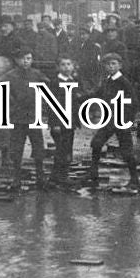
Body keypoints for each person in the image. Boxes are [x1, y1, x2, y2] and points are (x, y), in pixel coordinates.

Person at [85, 52, 140, 189]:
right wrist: (80, 98)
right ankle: (93, 175)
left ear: (120, 65)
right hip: (110, 120)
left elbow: (134, 103)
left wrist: (127, 120)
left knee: (126, 151)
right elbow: (96, 93)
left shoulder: (124, 82)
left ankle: (134, 179)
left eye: (113, 64)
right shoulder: (107, 81)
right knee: (96, 143)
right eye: (108, 64)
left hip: (121, 120)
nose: (110, 67)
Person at [5, 48, 48, 193]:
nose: (26, 61)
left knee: (38, 147)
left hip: (33, 117)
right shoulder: (10, 76)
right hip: (17, 118)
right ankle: (16, 178)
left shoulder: (37, 74)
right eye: (23, 58)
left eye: (29, 58)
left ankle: (40, 176)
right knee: (16, 149)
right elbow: (2, 92)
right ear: (17, 60)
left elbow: (48, 88)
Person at [47, 55, 80, 189]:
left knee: (66, 150)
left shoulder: (73, 81)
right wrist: (55, 124)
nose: (66, 67)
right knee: (62, 150)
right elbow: (52, 105)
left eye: (69, 64)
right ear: (58, 67)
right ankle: (61, 177)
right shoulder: (54, 83)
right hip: (59, 123)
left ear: (73, 66)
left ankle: (56, 177)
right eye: (63, 65)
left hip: (70, 122)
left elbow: (74, 103)